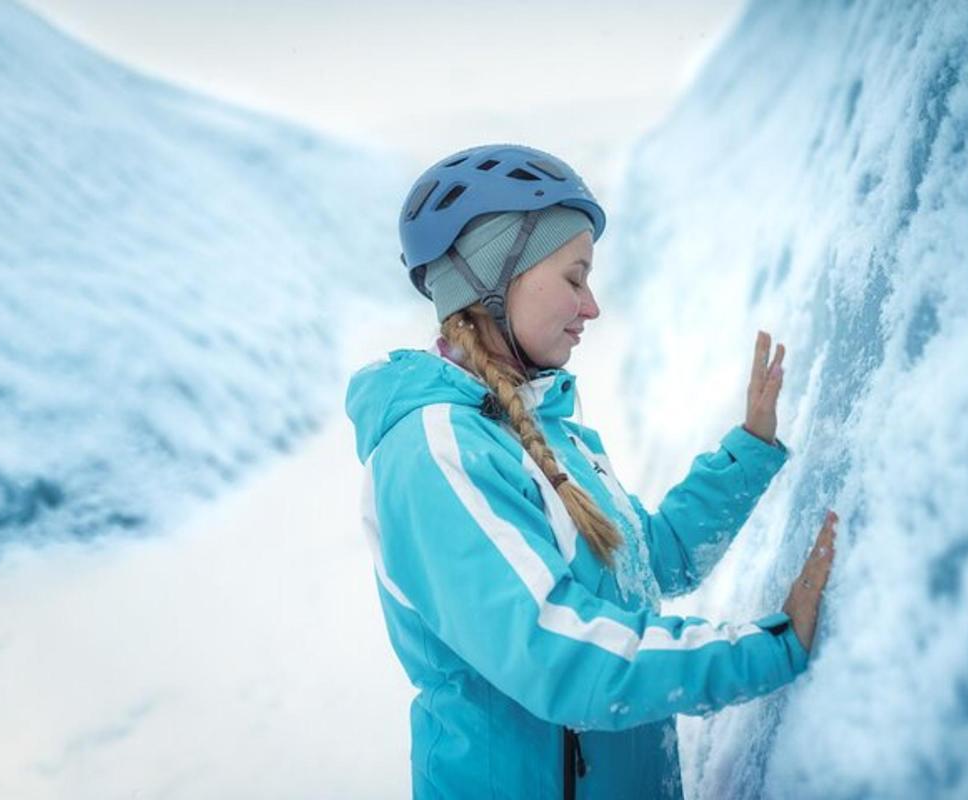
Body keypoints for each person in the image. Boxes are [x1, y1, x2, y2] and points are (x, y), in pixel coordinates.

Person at [345, 143, 838, 799]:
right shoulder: (434, 453)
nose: (591, 306)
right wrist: (764, 650)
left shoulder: (548, 431)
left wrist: (749, 449)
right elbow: (558, 657)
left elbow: (651, 565)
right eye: (574, 278)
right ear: (497, 279)